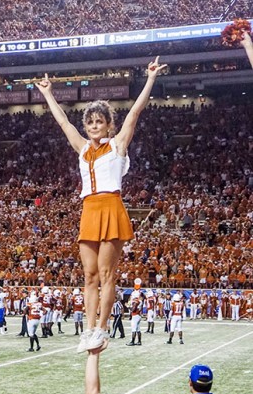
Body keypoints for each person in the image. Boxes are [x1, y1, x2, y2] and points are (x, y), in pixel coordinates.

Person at [35, 58, 166, 354]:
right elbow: (63, 122)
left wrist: (149, 79)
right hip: (89, 210)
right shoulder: (82, 149)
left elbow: (135, 112)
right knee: (89, 276)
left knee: (107, 274)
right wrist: (47, 95)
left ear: (108, 125)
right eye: (91, 122)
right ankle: (89, 327)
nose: (94, 126)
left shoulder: (117, 145)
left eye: (100, 122)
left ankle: (101, 328)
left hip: (110, 206)